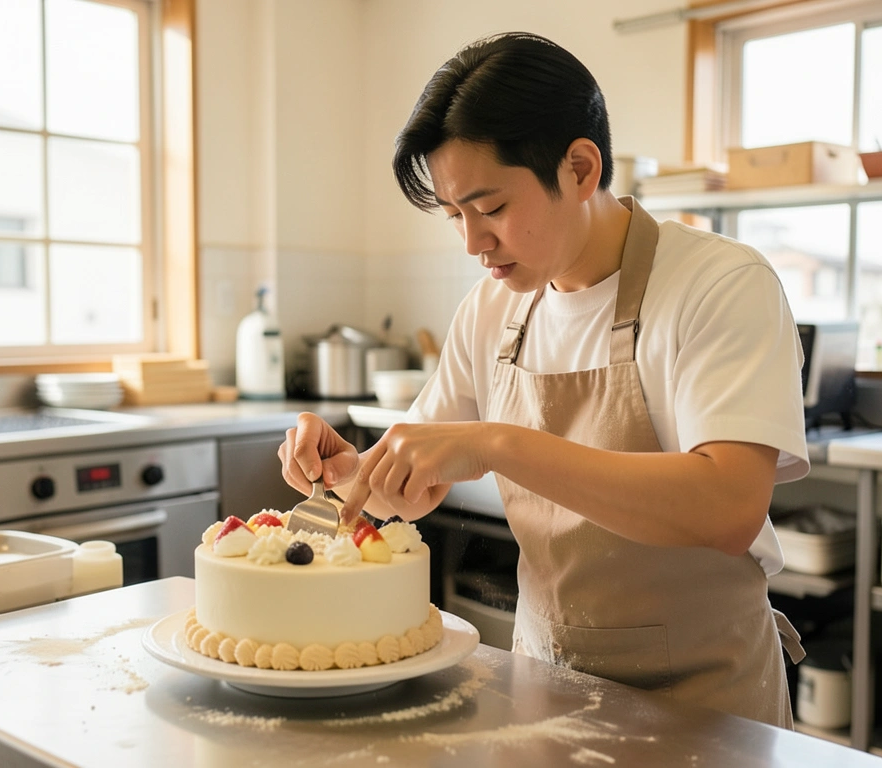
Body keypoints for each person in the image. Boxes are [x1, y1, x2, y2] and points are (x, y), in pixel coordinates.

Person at [277, 31, 809, 727]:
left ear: (581, 169)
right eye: (455, 217)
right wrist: (348, 473)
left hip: (705, 704)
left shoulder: (718, 283)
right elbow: (407, 489)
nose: (473, 243)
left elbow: (727, 506)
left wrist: (499, 444)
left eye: (491, 208)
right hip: (547, 690)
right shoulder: (495, 308)